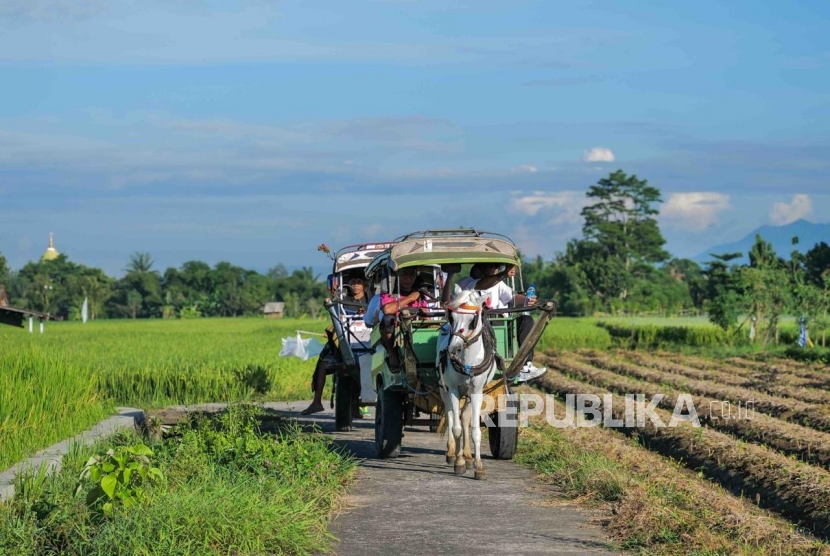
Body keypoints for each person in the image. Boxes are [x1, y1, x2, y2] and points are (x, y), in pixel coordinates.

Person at [456, 262, 547, 383]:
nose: (497, 270)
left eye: (499, 268)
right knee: (492, 317)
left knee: (526, 320)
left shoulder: (497, 283)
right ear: (480, 268)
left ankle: (525, 366)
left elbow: (512, 298)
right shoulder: (466, 282)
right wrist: (503, 275)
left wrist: (526, 300)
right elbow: (481, 286)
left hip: (499, 324)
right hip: (475, 327)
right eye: (495, 267)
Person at [364, 267, 429, 369]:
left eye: (411, 275)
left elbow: (427, 315)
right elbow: (387, 310)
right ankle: (392, 353)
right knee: (388, 318)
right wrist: (410, 298)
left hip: (416, 330)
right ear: (396, 276)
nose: (408, 279)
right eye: (404, 274)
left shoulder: (421, 297)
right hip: (396, 333)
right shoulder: (388, 294)